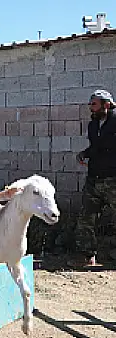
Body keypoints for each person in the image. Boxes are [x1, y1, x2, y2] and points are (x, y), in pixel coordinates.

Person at [69, 89, 116, 267]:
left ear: (107, 104)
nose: (91, 108)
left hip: (113, 179)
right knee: (86, 218)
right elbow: (96, 146)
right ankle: (87, 256)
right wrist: (84, 154)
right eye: (90, 105)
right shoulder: (93, 125)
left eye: (94, 104)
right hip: (94, 179)